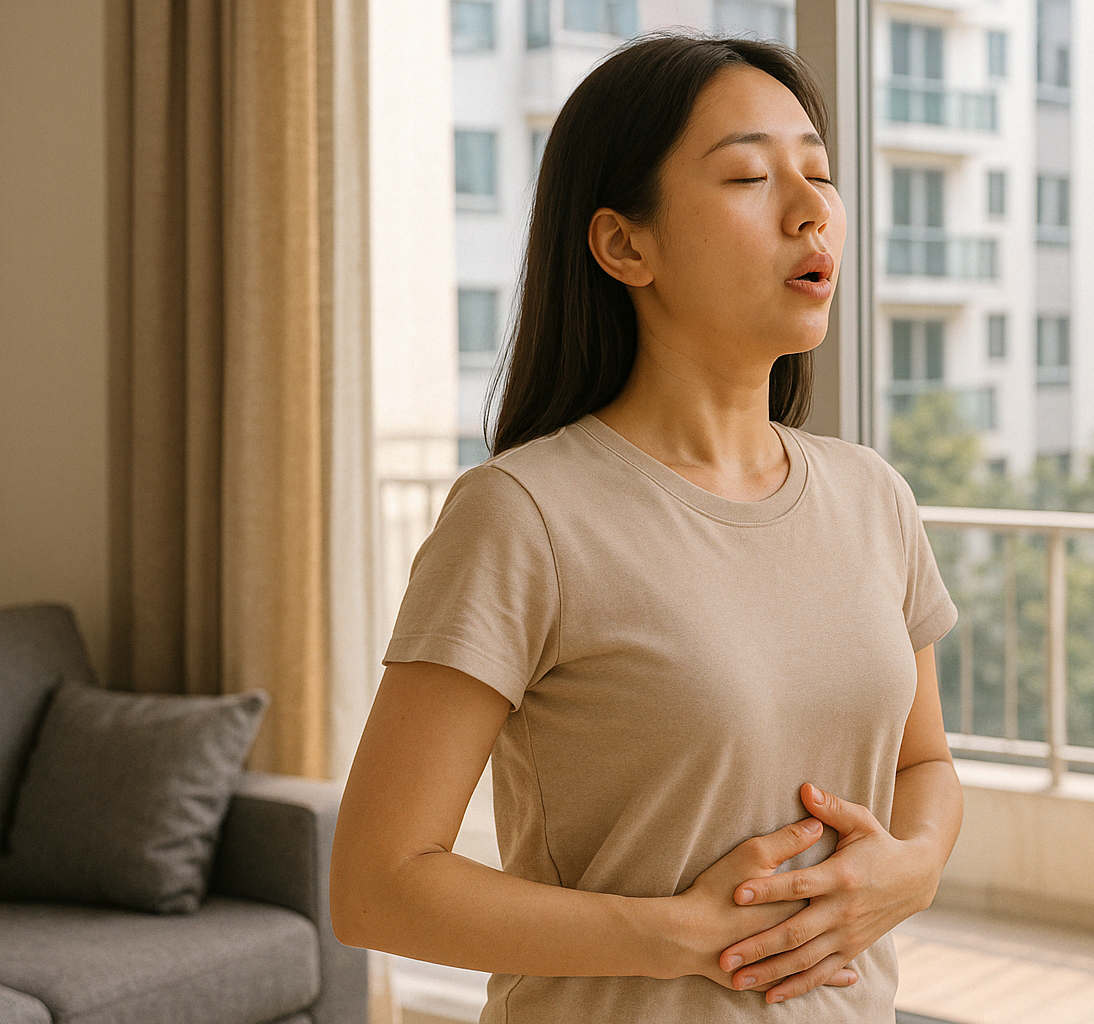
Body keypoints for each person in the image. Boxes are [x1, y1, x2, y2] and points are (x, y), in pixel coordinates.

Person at [329, 31, 964, 1024]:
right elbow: (377, 884)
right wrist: (677, 932)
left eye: (820, 173)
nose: (811, 210)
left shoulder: (872, 496)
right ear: (626, 245)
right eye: (750, 177)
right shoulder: (523, 515)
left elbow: (924, 764)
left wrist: (914, 866)